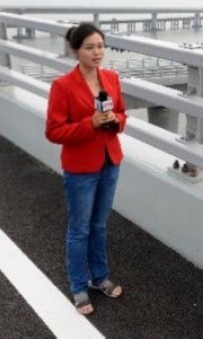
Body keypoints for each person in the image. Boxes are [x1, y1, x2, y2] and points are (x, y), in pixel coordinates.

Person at [46, 22, 126, 315]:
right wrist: (88, 123)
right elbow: (54, 131)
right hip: (81, 167)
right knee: (79, 229)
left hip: (110, 160)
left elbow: (122, 114)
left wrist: (114, 120)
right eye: (90, 47)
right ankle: (79, 286)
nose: (97, 52)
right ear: (75, 51)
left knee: (100, 225)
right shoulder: (63, 87)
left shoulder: (112, 78)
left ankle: (99, 277)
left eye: (100, 46)